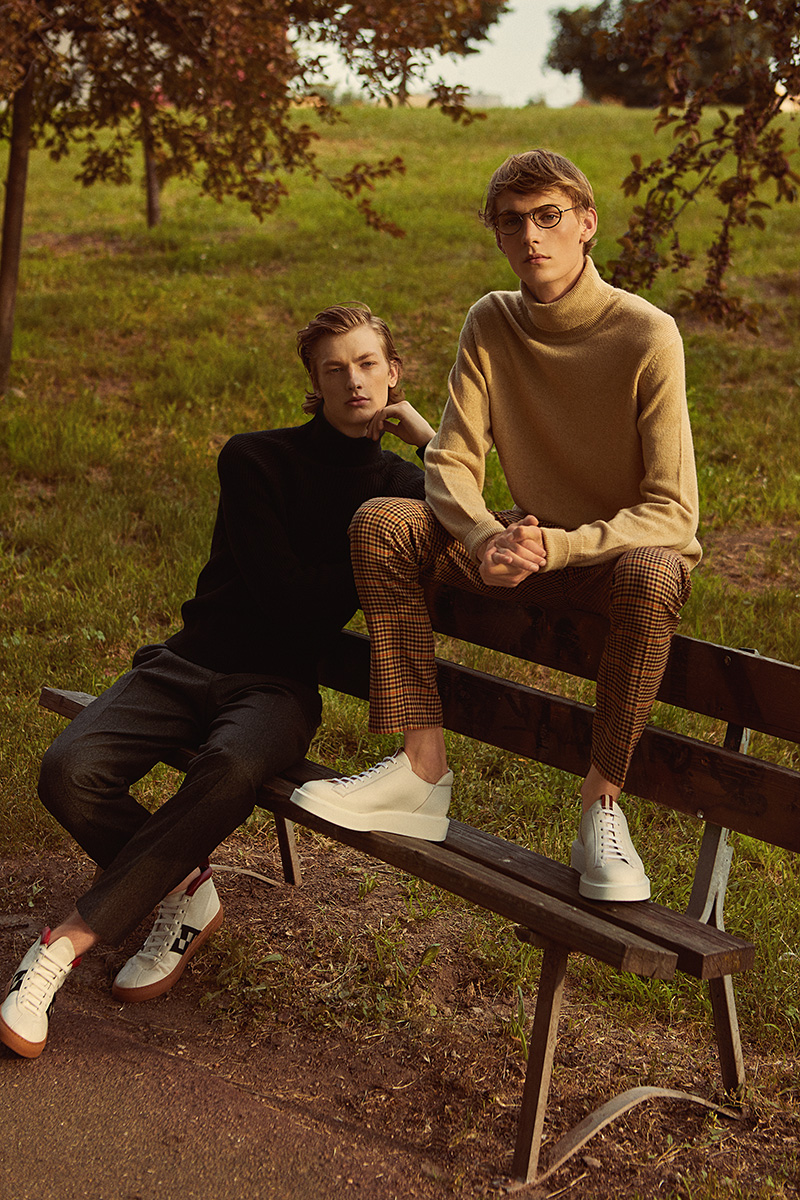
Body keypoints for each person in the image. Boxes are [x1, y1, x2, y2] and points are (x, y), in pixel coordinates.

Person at [0, 304, 437, 1060]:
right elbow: (285, 597)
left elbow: (482, 515)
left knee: (231, 767)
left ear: (393, 373)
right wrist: (376, 558)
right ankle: (185, 895)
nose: (355, 381)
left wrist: (431, 443)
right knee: (69, 770)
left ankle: (62, 945)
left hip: (277, 691)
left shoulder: (405, 481)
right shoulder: (255, 459)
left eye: (369, 364)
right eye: (335, 368)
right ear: (315, 383)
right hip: (187, 662)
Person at [291, 149, 701, 904]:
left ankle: (601, 807)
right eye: (513, 222)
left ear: (587, 224)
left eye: (549, 216)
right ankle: (421, 772)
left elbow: (673, 512)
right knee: (383, 523)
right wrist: (484, 538)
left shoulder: (648, 335)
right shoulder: (492, 320)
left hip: (609, 560)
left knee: (655, 569)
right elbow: (451, 460)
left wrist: (559, 547)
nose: (531, 236)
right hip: (520, 547)